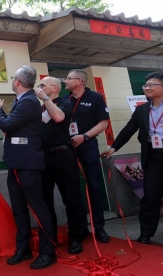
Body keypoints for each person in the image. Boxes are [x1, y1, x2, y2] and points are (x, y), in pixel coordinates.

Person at [0, 65, 56, 269]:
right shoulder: (21, 101)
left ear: (17, 82)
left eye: (12, 78)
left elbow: (7, 125)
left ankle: (47, 252)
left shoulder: (28, 102)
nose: (11, 80)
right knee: (18, 209)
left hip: (28, 164)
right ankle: (23, 249)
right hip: (16, 163)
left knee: (38, 208)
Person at [101, 71, 163, 245]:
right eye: (145, 85)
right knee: (151, 194)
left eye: (151, 85)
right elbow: (128, 129)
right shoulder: (142, 109)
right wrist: (114, 147)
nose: (146, 88)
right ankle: (146, 233)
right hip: (153, 156)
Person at [34, 76, 87, 254]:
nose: (39, 88)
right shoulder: (39, 107)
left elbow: (58, 117)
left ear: (55, 88)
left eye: (43, 85)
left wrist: (45, 98)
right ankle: (51, 237)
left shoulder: (65, 103)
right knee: (46, 200)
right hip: (43, 158)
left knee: (71, 198)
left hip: (62, 155)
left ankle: (77, 237)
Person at [63, 69, 110, 243]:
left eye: (69, 78)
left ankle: (99, 227)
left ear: (80, 81)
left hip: (88, 144)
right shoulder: (65, 99)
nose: (65, 81)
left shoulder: (95, 98)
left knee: (94, 186)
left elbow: (104, 123)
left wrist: (84, 137)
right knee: (73, 187)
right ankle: (80, 227)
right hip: (68, 147)